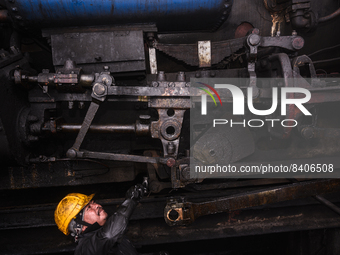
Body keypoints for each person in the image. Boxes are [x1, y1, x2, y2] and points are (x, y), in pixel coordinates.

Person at [54, 184, 146, 255]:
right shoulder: (85, 250)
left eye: (93, 202)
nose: (97, 205)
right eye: (89, 207)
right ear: (79, 226)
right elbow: (108, 235)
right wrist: (131, 200)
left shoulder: (109, 232)